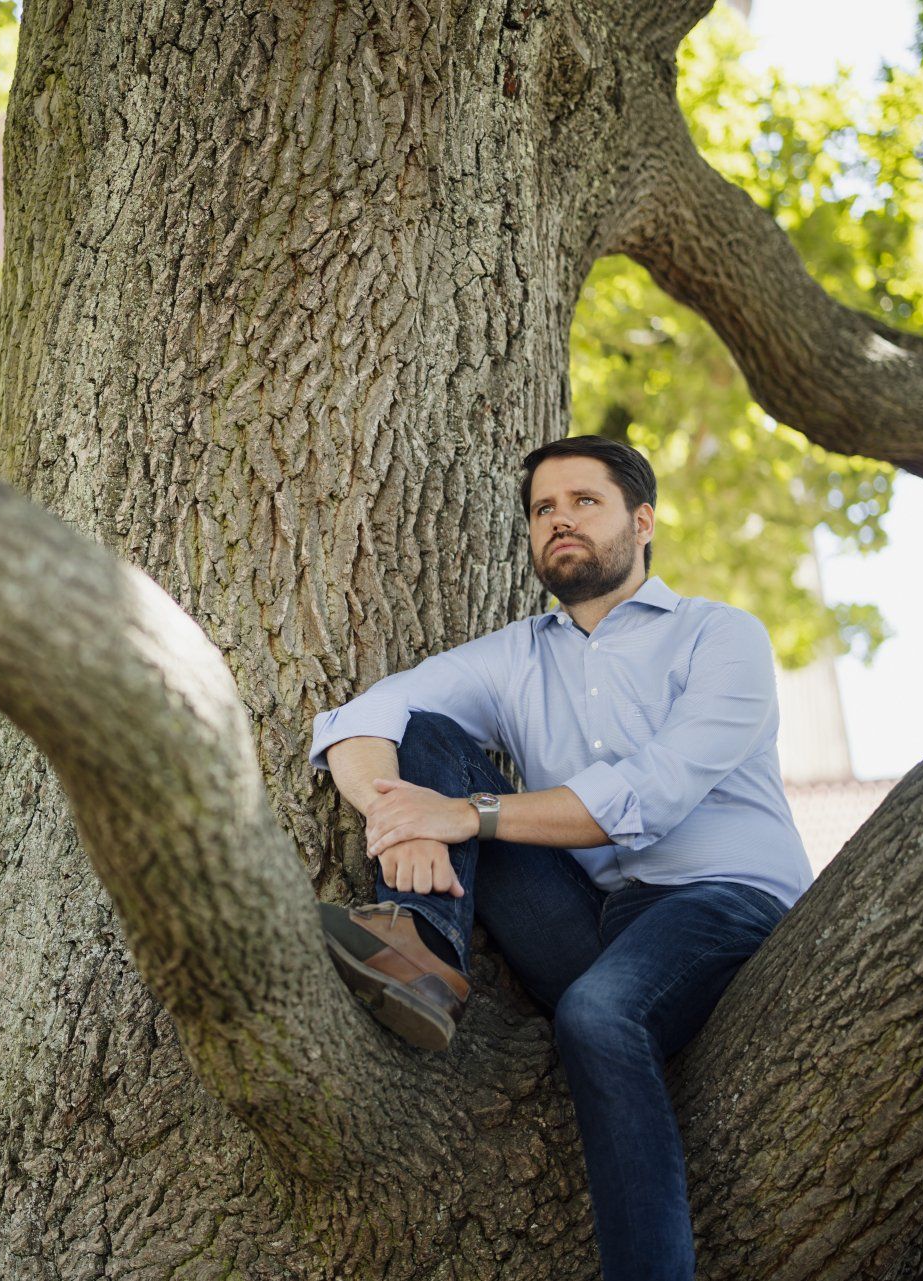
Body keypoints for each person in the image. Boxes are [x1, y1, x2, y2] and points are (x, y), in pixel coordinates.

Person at [309, 435, 813, 1281]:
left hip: (723, 903)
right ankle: (421, 946)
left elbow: (646, 795)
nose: (560, 520)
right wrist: (404, 816)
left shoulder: (720, 637)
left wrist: (465, 813)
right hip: (598, 919)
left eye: (585, 501)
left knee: (599, 1012)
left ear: (642, 521)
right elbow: (365, 717)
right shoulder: (517, 655)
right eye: (544, 508)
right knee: (428, 733)